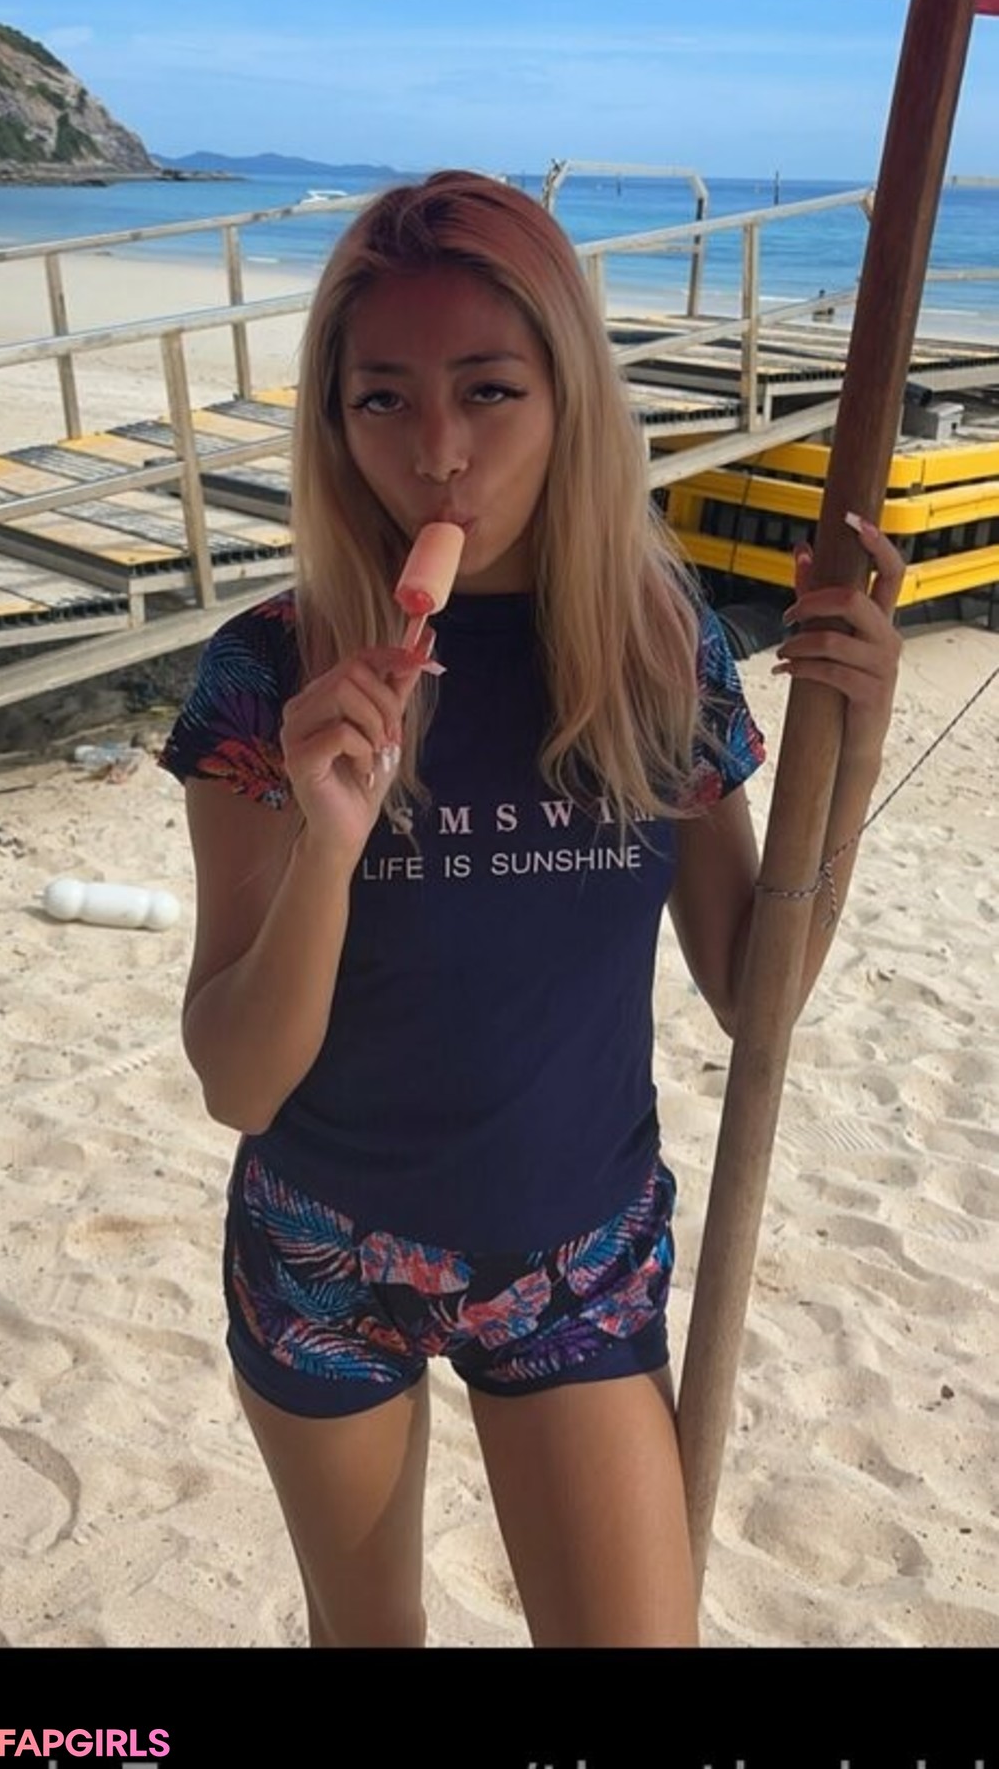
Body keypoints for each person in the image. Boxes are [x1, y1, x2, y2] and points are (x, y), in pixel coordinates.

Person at [160, 170, 903, 1649]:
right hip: (323, 1250)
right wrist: (328, 842)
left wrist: (855, 748)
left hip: (576, 1256)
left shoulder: (656, 648)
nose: (436, 451)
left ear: (569, 398)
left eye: (489, 391)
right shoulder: (269, 673)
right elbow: (238, 1081)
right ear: (333, 424)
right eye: (382, 399)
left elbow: (754, 994)